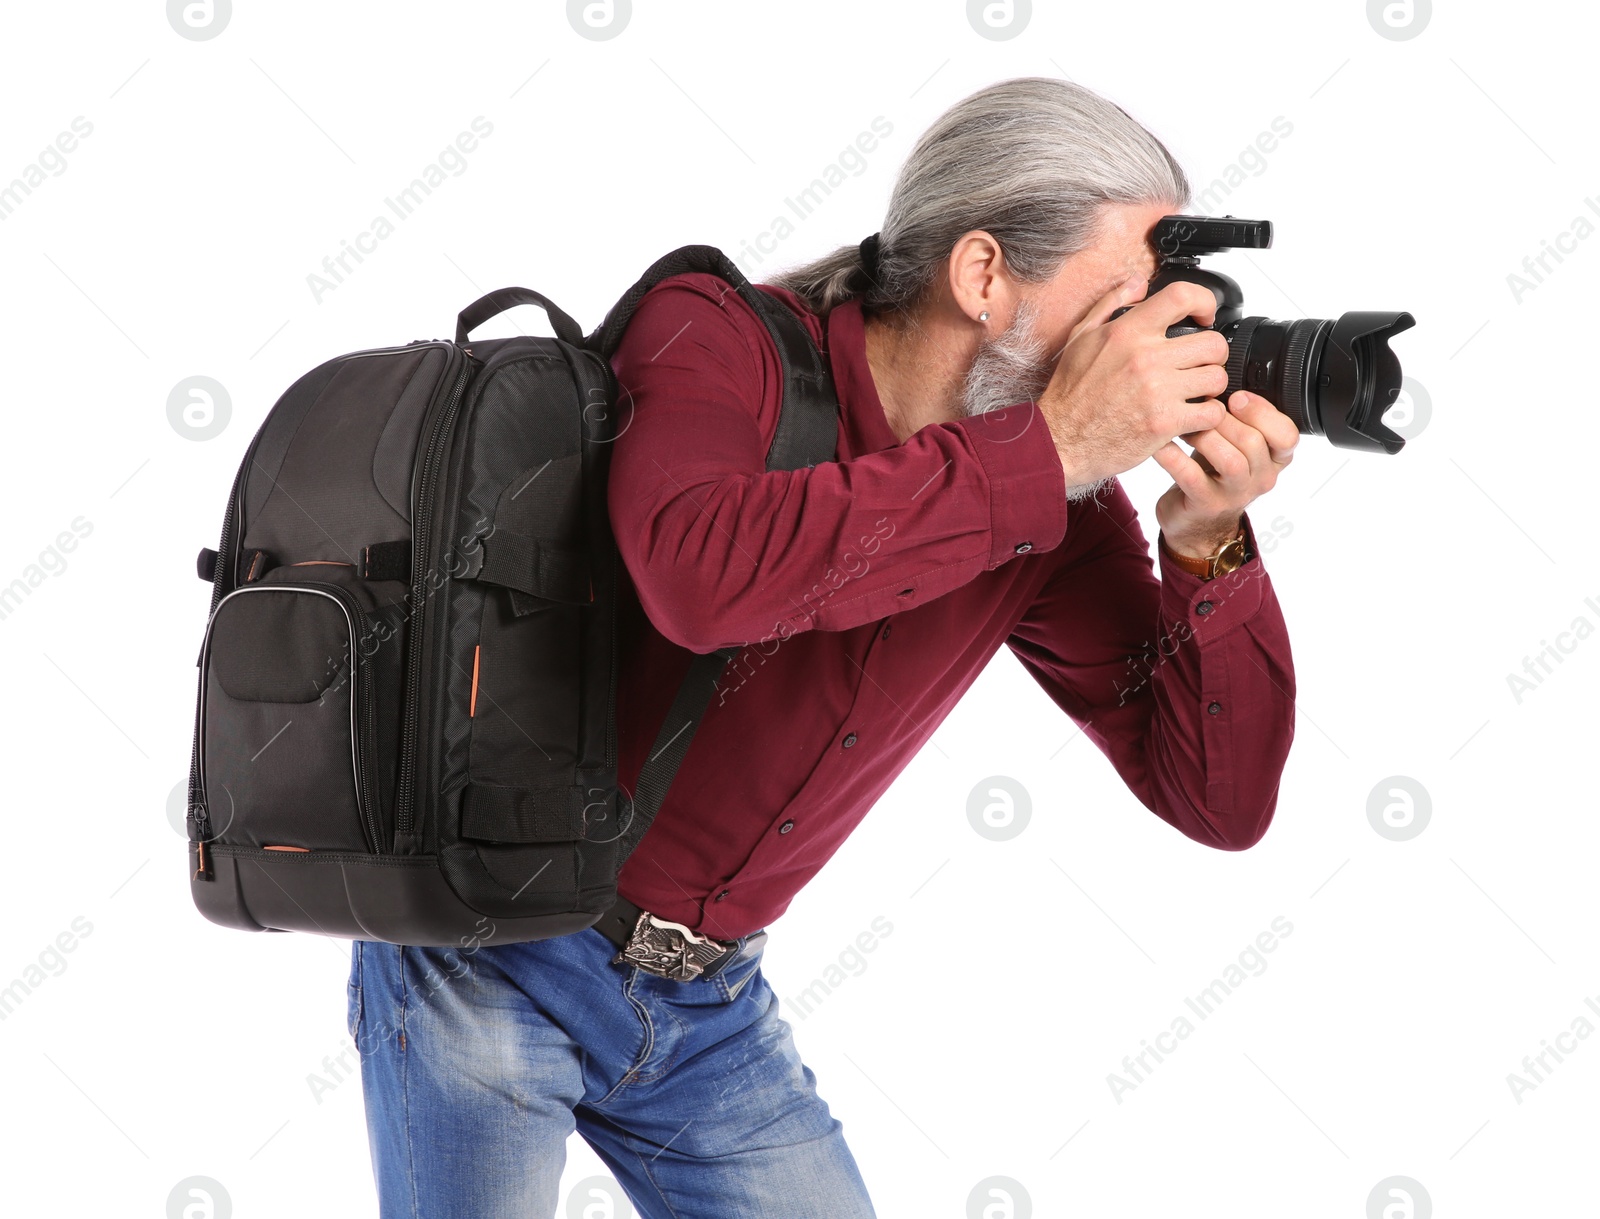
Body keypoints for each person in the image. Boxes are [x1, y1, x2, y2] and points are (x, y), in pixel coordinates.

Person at [351, 75, 1298, 1217]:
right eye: (1126, 315)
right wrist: (1046, 447)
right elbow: (703, 576)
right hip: (492, 953)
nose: (1153, 359)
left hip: (706, 1006)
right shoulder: (719, 336)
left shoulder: (1055, 509)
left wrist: (1207, 549)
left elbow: (1219, 798)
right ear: (983, 275)